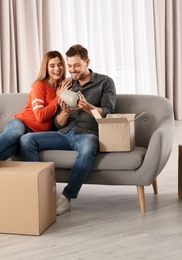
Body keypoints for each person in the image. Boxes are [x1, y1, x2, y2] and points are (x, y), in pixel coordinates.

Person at [20, 44, 117, 215]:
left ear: (87, 62)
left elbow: (107, 115)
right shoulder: (67, 85)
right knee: (27, 139)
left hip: (88, 134)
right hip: (65, 134)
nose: (72, 70)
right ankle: (40, 191)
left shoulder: (105, 82)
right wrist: (64, 112)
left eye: (77, 65)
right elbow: (58, 124)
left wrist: (88, 107)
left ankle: (66, 197)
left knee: (88, 148)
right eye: (70, 66)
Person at [0, 50, 71, 167]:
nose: (57, 69)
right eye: (52, 66)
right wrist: (58, 97)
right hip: (22, 123)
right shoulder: (40, 86)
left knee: (13, 149)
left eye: (59, 64)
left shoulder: (62, 87)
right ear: (46, 68)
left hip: (36, 134)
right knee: (15, 133)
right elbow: (40, 116)